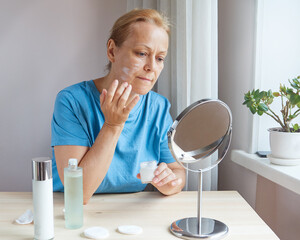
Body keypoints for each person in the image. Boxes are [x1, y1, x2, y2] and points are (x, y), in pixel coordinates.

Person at [51, 8, 186, 204]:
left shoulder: (158, 107)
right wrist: (113, 126)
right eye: (141, 53)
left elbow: (177, 171)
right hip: (68, 211)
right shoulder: (71, 101)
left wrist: (170, 183)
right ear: (112, 51)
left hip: (128, 211)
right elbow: (77, 193)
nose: (152, 67)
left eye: (159, 58)